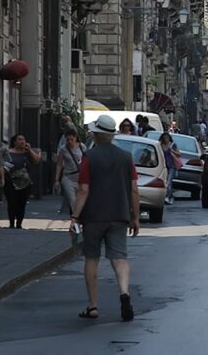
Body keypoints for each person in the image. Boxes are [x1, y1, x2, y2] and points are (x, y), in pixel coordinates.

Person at [71, 114, 140, 322]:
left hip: (93, 216)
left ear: (96, 134)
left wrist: (75, 216)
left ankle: (93, 306)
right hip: (119, 214)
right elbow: (134, 190)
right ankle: (125, 293)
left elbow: (83, 189)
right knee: (120, 258)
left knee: (92, 258)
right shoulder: (125, 157)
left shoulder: (89, 157)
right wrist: (135, 217)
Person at [4, 135, 40, 228]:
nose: (22, 141)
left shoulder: (27, 153)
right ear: (15, 142)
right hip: (10, 182)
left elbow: (36, 160)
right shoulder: (8, 152)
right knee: (12, 202)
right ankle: (11, 223)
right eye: (19, 140)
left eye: (23, 139)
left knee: (22, 203)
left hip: (24, 182)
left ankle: (19, 223)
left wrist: (29, 150)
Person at [54, 127, 85, 215]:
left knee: (81, 199)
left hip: (80, 177)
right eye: (68, 139)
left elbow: (87, 161)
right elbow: (59, 164)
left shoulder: (82, 147)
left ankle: (78, 218)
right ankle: (76, 220)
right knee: (72, 200)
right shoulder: (63, 149)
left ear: (76, 138)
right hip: (68, 177)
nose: (70, 142)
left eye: (72, 139)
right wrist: (57, 180)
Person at [159, 132, 182, 204]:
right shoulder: (160, 145)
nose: (166, 139)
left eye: (167, 138)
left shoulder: (172, 145)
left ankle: (167, 197)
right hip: (163, 166)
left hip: (172, 165)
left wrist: (171, 150)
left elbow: (179, 154)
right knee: (166, 182)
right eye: (164, 138)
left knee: (168, 181)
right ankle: (170, 196)